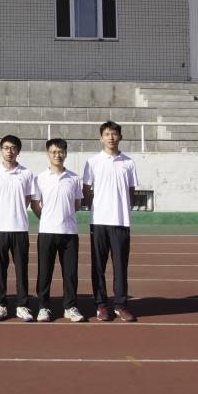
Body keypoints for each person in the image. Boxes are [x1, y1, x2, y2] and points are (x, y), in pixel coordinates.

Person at [83, 121, 139, 322]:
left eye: (114, 134)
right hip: (99, 221)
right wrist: (95, 207)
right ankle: (101, 305)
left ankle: (120, 305)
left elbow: (131, 190)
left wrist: (123, 208)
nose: (111, 137)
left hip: (121, 221)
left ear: (120, 137)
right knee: (98, 265)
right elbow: (86, 189)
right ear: (101, 138)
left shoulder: (128, 162)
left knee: (120, 266)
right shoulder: (92, 162)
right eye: (107, 134)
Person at [32, 138, 86, 323]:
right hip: (47, 232)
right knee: (44, 272)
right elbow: (35, 205)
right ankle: (43, 307)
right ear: (48, 154)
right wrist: (48, 219)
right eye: (54, 152)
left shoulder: (74, 178)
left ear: (66, 154)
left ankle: (70, 307)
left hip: (69, 233)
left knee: (70, 273)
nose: (57, 155)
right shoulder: (39, 178)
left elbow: (77, 205)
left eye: (61, 151)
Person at [0, 134, 38, 322]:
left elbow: (27, 199)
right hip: (0, 228)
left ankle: (22, 305)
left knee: (21, 269)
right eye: (6, 148)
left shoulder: (27, 173)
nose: (9, 151)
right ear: (1, 150)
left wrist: (16, 212)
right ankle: (0, 304)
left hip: (20, 228)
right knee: (0, 269)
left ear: (18, 151)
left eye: (13, 148)